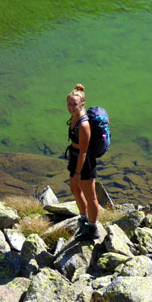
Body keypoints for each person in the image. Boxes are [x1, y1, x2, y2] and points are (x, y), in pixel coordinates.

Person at [66, 84, 100, 240]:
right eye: (69, 104)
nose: (71, 107)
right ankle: (83, 220)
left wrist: (78, 172)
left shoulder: (84, 124)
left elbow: (84, 151)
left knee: (91, 196)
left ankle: (92, 229)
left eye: (74, 104)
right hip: (75, 157)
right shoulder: (74, 117)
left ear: (82, 104)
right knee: (74, 189)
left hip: (84, 162)